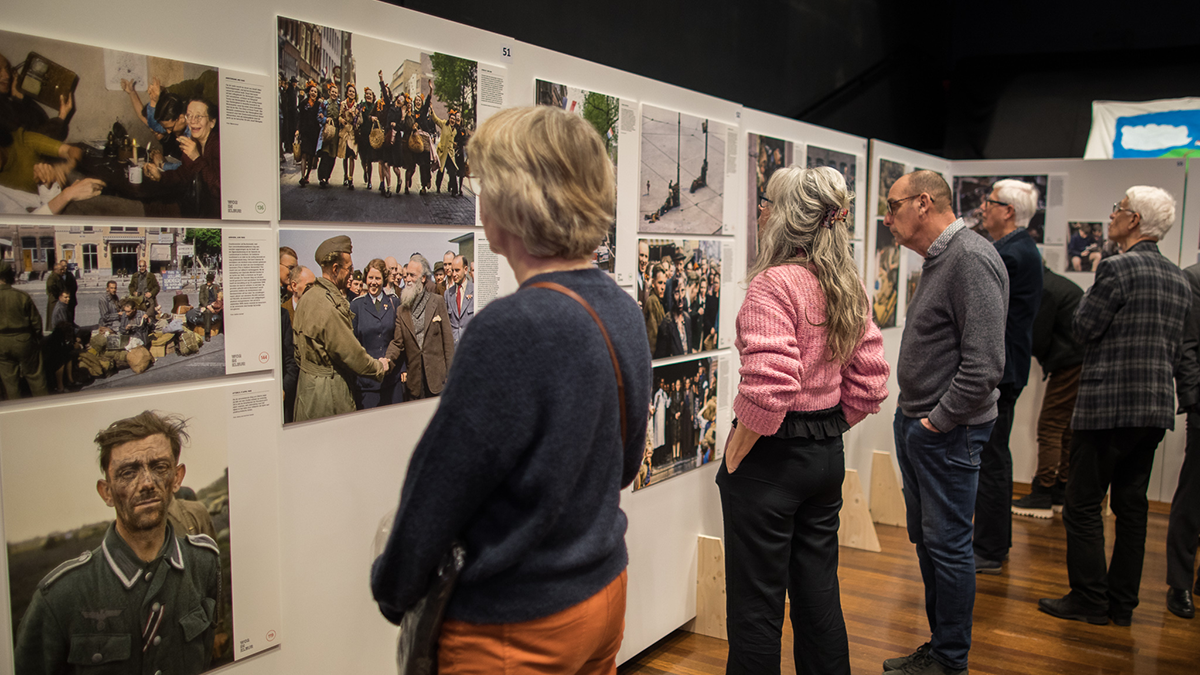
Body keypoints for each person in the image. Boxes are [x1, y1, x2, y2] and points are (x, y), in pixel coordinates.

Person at [371, 105, 652, 674]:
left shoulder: (510, 326)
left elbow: (440, 487)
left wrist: (393, 588)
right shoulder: (621, 308)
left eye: (484, 182)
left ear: (514, 199)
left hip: (519, 623)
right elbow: (623, 464)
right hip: (602, 588)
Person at [716, 166, 888, 675]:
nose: (761, 211)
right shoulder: (845, 283)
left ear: (788, 217)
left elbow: (769, 387)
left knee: (755, 608)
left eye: (767, 202)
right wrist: (826, 425)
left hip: (770, 461)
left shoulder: (774, 283)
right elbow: (872, 381)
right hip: (824, 456)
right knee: (818, 598)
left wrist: (738, 450)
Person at [1038, 186, 1190, 627]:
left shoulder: (1117, 268)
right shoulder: (1179, 278)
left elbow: (1083, 328)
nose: (1112, 215)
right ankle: (1122, 604)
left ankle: (1089, 598)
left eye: (1119, 209)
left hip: (1107, 407)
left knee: (1083, 503)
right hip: (1155, 408)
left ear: (1135, 221)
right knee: (1132, 505)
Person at [883, 170, 1007, 675]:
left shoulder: (970, 259)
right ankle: (940, 648)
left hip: (947, 432)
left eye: (893, 206)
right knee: (932, 544)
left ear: (923, 203)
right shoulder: (942, 258)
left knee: (950, 547)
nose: (887, 218)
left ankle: (950, 660)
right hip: (923, 425)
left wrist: (937, 422)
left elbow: (984, 365)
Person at [13, 411, 220, 675]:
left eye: (159, 467)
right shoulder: (59, 597)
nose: (146, 483)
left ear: (177, 478)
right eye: (128, 472)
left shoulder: (203, 562)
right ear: (106, 491)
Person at [972, 179, 1043, 574]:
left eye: (990, 202)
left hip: (1001, 371)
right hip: (1006, 368)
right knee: (993, 456)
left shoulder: (1011, 255)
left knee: (992, 458)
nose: (984, 207)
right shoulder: (1015, 251)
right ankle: (990, 543)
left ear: (1009, 211)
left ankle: (990, 548)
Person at [291, 236, 390, 422]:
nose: (352, 273)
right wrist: (379, 368)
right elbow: (352, 355)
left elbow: (297, 352)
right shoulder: (329, 306)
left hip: (306, 391)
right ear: (335, 269)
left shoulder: (307, 298)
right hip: (328, 395)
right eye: (349, 268)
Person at [1011, 265, 1084, 518]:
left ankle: (1043, 492)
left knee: (1050, 427)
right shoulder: (1054, 283)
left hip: (1070, 363)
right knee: (1066, 429)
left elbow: (1038, 337)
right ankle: (1060, 490)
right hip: (1078, 361)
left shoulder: (1044, 289)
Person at [1167, 260, 1200, 619]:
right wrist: (1192, 399)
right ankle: (1180, 583)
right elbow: (1187, 345)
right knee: (1193, 498)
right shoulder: (1194, 277)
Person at [384, 256, 455, 401]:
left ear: (423, 278)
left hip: (437, 381)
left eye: (412, 275)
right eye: (406, 276)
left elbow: (447, 341)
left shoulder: (438, 302)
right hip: (415, 383)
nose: (407, 280)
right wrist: (386, 360)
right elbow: (397, 343)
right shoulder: (401, 310)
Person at [144, 99, 221, 218]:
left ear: (212, 122)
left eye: (199, 116)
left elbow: (219, 189)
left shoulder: (218, 145)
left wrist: (196, 158)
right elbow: (182, 174)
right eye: (189, 115)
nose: (193, 121)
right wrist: (161, 176)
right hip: (201, 210)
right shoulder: (194, 142)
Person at [351, 259, 404, 409]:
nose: (373, 282)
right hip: (367, 382)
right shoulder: (356, 305)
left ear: (384, 279)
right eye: (371, 278)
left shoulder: (394, 302)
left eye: (378, 278)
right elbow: (353, 343)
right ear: (366, 279)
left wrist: (402, 368)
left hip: (391, 379)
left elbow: (399, 338)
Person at [0, 262, 47, 399]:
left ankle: (17, 411)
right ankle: (44, 406)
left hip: (1, 343)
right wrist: (37, 339)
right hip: (23, 340)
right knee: (35, 376)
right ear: (10, 275)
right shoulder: (21, 296)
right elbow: (36, 323)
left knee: (10, 382)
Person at [444, 254, 474, 344]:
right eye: (452, 270)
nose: (454, 274)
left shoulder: (475, 290)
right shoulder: (448, 294)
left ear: (465, 270)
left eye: (457, 270)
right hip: (454, 347)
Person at [644, 267, 667, 352]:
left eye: (664, 283)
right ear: (653, 283)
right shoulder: (652, 301)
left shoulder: (658, 301)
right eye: (660, 283)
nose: (663, 287)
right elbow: (652, 337)